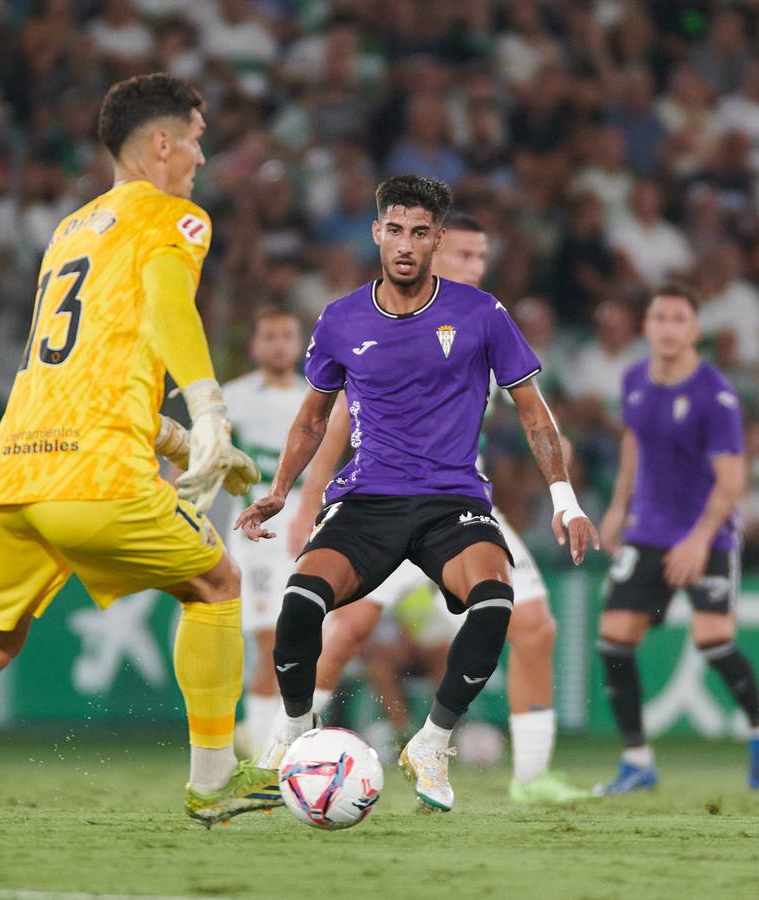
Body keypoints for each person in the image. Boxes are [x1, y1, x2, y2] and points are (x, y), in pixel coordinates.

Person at [0, 74, 278, 832]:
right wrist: (206, 407)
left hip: (15, 467)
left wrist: (179, 438)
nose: (202, 157)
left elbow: (92, 373)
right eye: (197, 140)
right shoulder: (175, 218)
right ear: (161, 143)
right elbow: (172, 307)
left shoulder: (71, 230)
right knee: (216, 583)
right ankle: (213, 782)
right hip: (93, 475)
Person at [236, 175, 599, 812]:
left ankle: (431, 744)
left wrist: (565, 500)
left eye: (420, 232)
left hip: (451, 502)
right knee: (301, 602)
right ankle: (293, 731)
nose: (406, 243)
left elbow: (535, 415)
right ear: (377, 232)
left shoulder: (481, 314)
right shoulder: (341, 319)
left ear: (436, 239)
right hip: (369, 500)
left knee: (495, 603)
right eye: (395, 229)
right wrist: (281, 493)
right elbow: (314, 419)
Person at [594, 284, 759, 795]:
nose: (669, 328)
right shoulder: (633, 380)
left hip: (708, 536)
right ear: (647, 327)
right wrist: (616, 508)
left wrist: (699, 539)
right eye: (660, 318)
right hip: (647, 532)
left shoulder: (714, 394)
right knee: (613, 641)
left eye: (679, 319)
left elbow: (733, 481)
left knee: (712, 639)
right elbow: (633, 443)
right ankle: (637, 761)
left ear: (695, 330)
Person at [222, 307, 312, 756]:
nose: (279, 343)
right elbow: (193, 457)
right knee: (272, 642)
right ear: (255, 346)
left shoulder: (315, 397)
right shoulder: (231, 397)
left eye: (287, 335)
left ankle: (283, 744)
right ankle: (264, 752)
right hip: (256, 534)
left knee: (305, 640)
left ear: (299, 344)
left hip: (309, 529)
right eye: (269, 336)